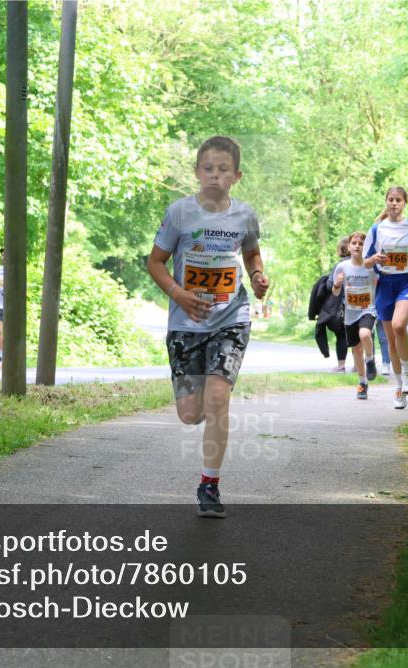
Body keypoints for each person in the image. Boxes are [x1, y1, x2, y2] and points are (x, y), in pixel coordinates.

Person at [146, 136, 269, 519]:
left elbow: (250, 252)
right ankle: (197, 409)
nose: (215, 175)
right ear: (198, 172)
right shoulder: (180, 213)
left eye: (223, 170)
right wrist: (179, 295)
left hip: (230, 317)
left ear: (236, 175)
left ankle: (209, 485)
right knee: (190, 413)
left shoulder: (245, 216)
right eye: (208, 169)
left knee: (218, 398)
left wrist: (259, 274)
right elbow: (155, 262)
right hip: (186, 322)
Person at [363, 186, 408, 409]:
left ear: (404, 203)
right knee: (391, 340)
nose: (394, 203)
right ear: (386, 202)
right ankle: (400, 386)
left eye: (398, 200)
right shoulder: (376, 229)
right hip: (385, 284)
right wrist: (375, 258)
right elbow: (365, 261)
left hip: (407, 282)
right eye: (390, 199)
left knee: (399, 325)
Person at [330, 231, 379, 399]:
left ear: (366, 248)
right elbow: (336, 293)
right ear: (349, 247)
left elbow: (380, 284)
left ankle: (371, 360)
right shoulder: (342, 267)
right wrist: (336, 285)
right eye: (354, 243)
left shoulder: (372, 267)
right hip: (350, 313)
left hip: (368, 309)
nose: (358, 246)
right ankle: (362, 382)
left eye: (361, 243)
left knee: (364, 334)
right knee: (356, 350)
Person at [327, 236, 351, 372]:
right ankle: (358, 365)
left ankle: (341, 365)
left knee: (341, 335)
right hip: (362, 305)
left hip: (343, 305)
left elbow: (330, 283)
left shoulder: (340, 265)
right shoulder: (360, 263)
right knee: (359, 335)